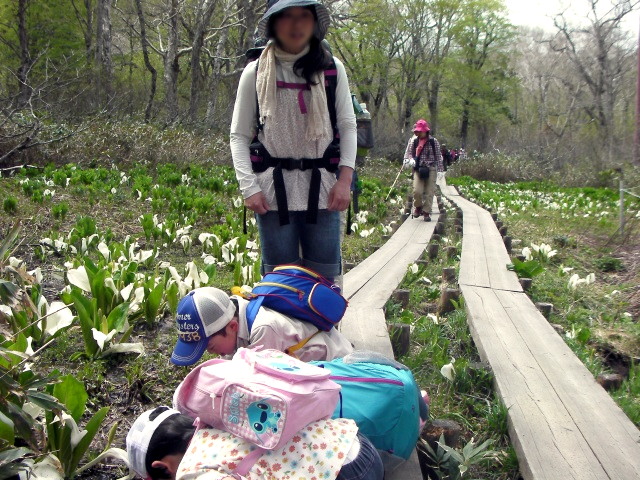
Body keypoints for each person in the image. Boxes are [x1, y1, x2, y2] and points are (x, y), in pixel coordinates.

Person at [230, 0, 357, 282]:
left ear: (314, 23)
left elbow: (348, 126)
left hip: (324, 189)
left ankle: (323, 315)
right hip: (272, 193)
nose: (296, 24)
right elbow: (238, 135)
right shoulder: (255, 73)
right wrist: (249, 188)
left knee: (325, 280)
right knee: (281, 281)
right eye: (287, 16)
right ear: (274, 24)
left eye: (304, 16)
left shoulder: (332, 69)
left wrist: (344, 181)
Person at [126, 406, 383, 480]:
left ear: (161, 467)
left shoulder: (192, 471)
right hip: (353, 442)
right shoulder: (214, 421)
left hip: (346, 473)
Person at [170, 287, 353, 366]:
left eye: (210, 347)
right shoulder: (233, 311)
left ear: (232, 326)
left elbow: (258, 383)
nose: (210, 353)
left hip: (336, 367)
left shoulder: (264, 329)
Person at [402, 119, 444, 221]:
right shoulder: (414, 141)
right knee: (417, 191)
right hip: (418, 168)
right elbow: (410, 154)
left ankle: (426, 212)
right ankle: (418, 206)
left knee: (430, 191)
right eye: (417, 131)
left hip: (431, 168)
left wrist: (440, 170)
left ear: (425, 131)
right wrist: (410, 160)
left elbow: (438, 156)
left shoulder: (433, 142)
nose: (418, 133)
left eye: (420, 131)